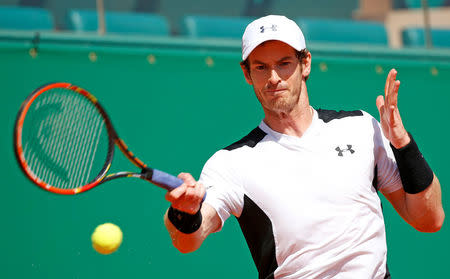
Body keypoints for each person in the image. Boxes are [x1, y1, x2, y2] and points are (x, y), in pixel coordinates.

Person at [163, 15, 445, 279]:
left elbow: (429, 219)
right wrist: (184, 213)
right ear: (247, 74)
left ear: (305, 63)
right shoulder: (231, 163)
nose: (273, 77)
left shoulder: (360, 128)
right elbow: (188, 240)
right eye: (261, 67)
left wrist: (403, 144)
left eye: (284, 63)